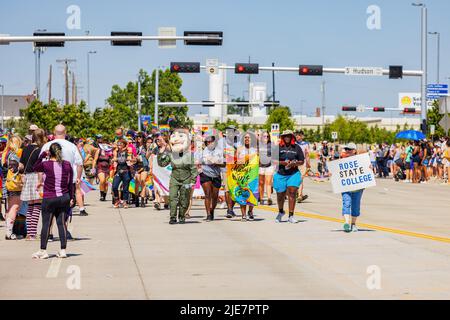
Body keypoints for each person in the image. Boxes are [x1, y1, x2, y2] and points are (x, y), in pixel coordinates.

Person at [32, 143, 74, 259]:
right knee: (62, 224)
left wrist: (42, 155)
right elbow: (70, 183)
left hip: (49, 198)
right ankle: (63, 250)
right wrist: (71, 197)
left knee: (46, 223)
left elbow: (34, 167)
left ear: (50, 152)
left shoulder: (46, 164)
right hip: (64, 197)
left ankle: (43, 251)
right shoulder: (67, 164)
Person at [40, 125, 84, 218]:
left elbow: (40, 165)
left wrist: (40, 181)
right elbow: (79, 163)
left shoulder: (47, 145)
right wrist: (78, 178)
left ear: (54, 132)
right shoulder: (72, 146)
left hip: (49, 182)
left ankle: (50, 230)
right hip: (67, 181)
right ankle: (64, 229)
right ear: (65, 132)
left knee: (50, 209)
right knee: (65, 209)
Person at [157, 128, 198, 225]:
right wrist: (161, 153)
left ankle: (182, 216)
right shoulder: (171, 154)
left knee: (184, 199)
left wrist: (192, 181)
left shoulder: (189, 155)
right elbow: (162, 164)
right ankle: (173, 217)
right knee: (172, 197)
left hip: (186, 178)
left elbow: (193, 169)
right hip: (175, 178)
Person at [19, 128, 46, 241]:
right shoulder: (40, 150)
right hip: (36, 177)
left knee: (30, 206)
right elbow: (40, 168)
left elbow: (20, 165)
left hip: (27, 177)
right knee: (37, 206)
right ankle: (32, 233)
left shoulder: (25, 149)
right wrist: (41, 182)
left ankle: (30, 233)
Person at [273, 130, 305, 224]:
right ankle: (281, 211)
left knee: (292, 192)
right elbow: (272, 160)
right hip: (280, 174)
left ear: (292, 137)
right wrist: (281, 162)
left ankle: (291, 215)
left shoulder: (297, 147)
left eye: (289, 136)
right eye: (285, 136)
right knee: (280, 195)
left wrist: (295, 163)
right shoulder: (278, 147)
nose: (287, 137)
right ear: (282, 137)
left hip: (293, 173)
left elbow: (302, 161)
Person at [339, 143, 366, 233]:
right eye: (346, 149)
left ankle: (353, 224)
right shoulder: (341, 161)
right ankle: (346, 223)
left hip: (358, 187)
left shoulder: (361, 160)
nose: (347, 151)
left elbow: (366, 171)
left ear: (354, 151)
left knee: (356, 205)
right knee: (346, 203)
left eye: (349, 149)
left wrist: (369, 168)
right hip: (346, 186)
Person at [2, 136, 23, 240]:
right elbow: (14, 169)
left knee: (9, 208)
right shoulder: (13, 155)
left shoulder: (5, 154)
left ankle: (9, 231)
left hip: (6, 184)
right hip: (14, 185)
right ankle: (9, 232)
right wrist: (21, 167)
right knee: (14, 208)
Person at [199, 135, 224, 221]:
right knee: (207, 194)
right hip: (205, 174)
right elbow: (196, 162)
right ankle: (208, 214)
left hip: (216, 175)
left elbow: (224, 164)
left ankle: (212, 210)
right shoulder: (202, 151)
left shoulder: (219, 151)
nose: (209, 143)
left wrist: (216, 163)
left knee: (215, 196)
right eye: (208, 142)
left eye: (211, 142)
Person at [235, 132, 258, 221]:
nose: (247, 139)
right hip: (242, 174)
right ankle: (243, 215)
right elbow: (236, 162)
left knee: (253, 193)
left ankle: (250, 211)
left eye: (249, 137)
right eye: (245, 138)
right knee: (243, 194)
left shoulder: (255, 150)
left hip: (253, 175)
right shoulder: (239, 149)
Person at [112, 139, 134, 209]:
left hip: (126, 171)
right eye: (118, 144)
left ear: (124, 144)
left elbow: (129, 157)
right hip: (118, 171)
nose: (119, 145)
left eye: (121, 144)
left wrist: (129, 158)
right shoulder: (116, 151)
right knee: (114, 186)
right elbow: (114, 158)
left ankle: (125, 202)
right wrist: (114, 160)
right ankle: (117, 200)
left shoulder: (128, 151)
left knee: (125, 188)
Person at [258, 132, 275, 206]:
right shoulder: (258, 144)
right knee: (261, 183)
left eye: (267, 136)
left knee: (268, 182)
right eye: (264, 136)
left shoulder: (271, 144)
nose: (266, 138)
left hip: (269, 166)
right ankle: (261, 198)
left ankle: (269, 198)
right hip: (260, 166)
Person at [134, 132, 150, 207]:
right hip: (136, 166)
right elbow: (131, 155)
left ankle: (142, 200)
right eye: (137, 137)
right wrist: (135, 158)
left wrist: (148, 149)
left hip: (144, 166)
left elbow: (147, 157)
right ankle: (136, 198)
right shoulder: (134, 146)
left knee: (143, 181)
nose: (139, 138)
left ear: (143, 138)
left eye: (140, 137)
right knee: (137, 182)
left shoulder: (146, 146)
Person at [295, 131, 310, 203]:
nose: (297, 137)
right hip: (294, 163)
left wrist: (308, 164)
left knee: (300, 179)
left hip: (302, 163)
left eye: (299, 135)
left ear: (302, 136)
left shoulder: (305, 144)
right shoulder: (293, 144)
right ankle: (296, 193)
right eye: (296, 135)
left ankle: (300, 195)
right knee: (294, 179)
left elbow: (307, 155)